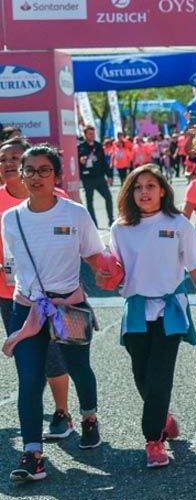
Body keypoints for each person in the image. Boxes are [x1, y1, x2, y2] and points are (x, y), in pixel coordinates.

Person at [3, 145, 111, 481]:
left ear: (56, 176)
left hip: (69, 307)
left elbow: (95, 256)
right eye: (30, 170)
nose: (36, 177)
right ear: (21, 175)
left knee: (78, 369)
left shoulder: (75, 214)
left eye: (43, 170)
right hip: (27, 310)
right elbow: (12, 265)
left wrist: (109, 271)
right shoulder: (11, 219)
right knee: (30, 381)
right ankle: (33, 454)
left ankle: (89, 417)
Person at [110, 165, 196, 468]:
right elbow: (114, 271)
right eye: (137, 187)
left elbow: (195, 268)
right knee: (141, 375)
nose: (144, 192)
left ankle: (154, 441)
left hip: (170, 310)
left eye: (151, 186)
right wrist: (105, 272)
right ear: (130, 192)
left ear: (163, 190)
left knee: (160, 376)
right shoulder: (119, 228)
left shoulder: (178, 223)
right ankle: (163, 417)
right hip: (137, 310)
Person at [0, 138, 73, 440]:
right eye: (2, 159)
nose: (7, 164)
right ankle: (32, 444)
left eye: (14, 158)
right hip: (11, 296)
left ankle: (63, 412)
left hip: (54, 295)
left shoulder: (59, 198)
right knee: (27, 361)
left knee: (54, 356)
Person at [78, 125, 114, 228]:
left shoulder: (98, 146)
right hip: (87, 179)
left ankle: (111, 219)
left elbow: (104, 162)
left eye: (93, 134)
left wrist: (109, 175)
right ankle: (94, 223)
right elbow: (77, 163)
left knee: (108, 197)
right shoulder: (80, 147)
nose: (92, 136)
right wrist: (81, 161)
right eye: (89, 134)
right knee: (89, 202)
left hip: (99, 177)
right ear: (85, 135)